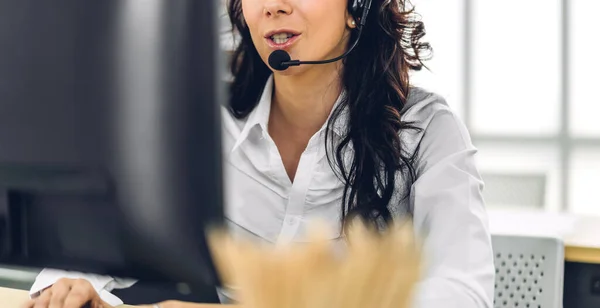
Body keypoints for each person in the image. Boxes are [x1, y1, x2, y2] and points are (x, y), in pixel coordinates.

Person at [23, 0, 496, 307]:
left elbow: (462, 290)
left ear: (358, 7)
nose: (273, 6)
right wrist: (67, 289)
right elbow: (110, 227)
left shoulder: (426, 131)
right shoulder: (208, 118)